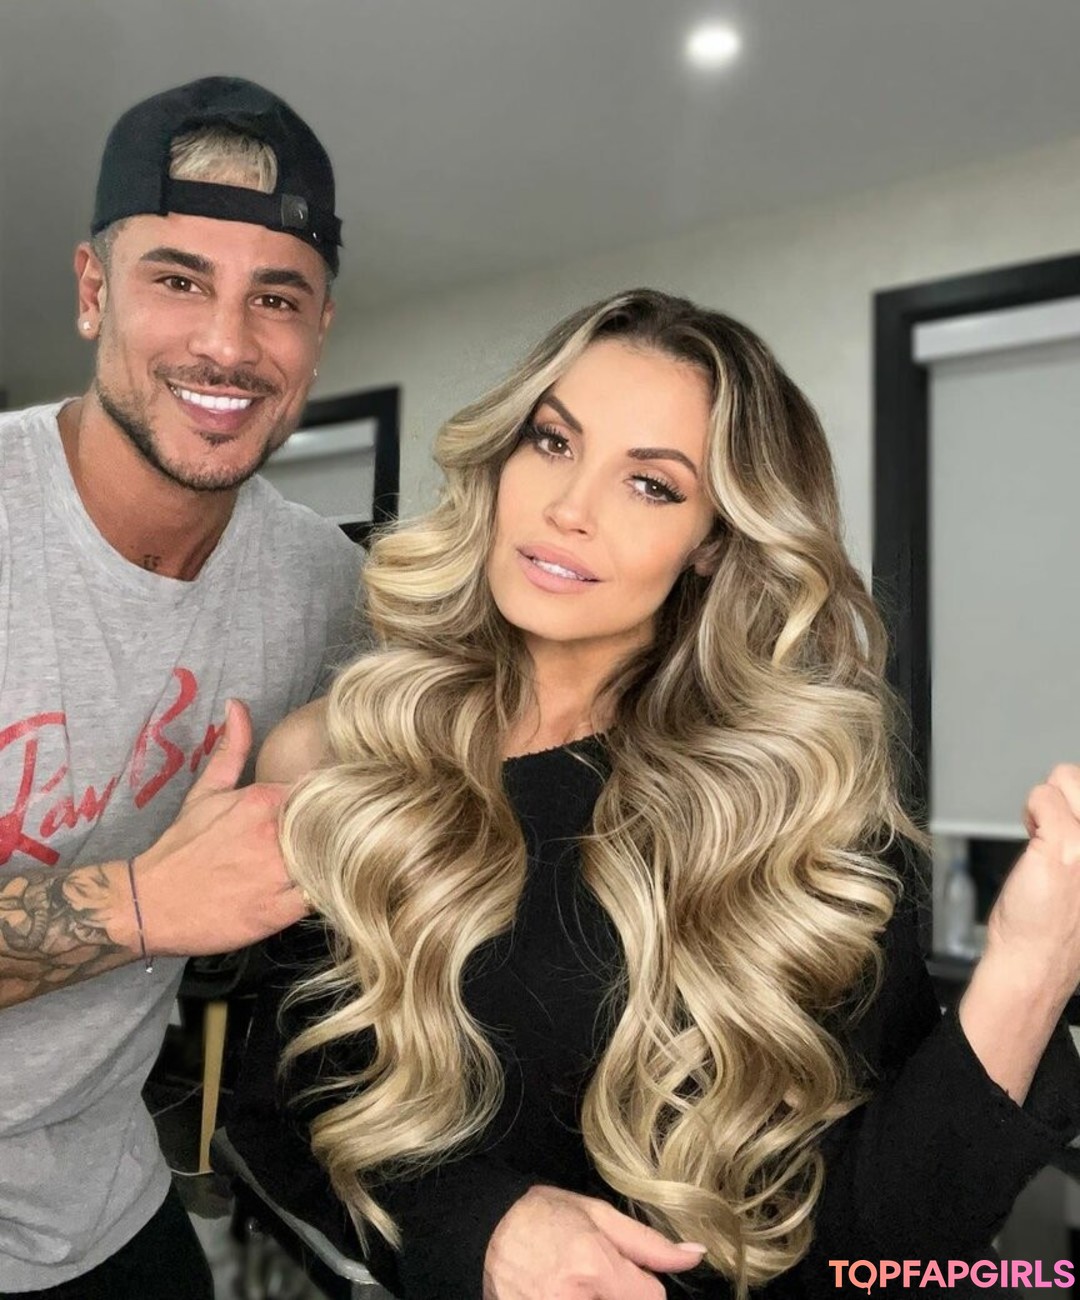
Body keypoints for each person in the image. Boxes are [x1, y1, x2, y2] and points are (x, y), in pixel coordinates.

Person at [236, 289, 1080, 1299]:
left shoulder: (797, 809)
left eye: (650, 484)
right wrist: (475, 1226)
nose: (570, 507)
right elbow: (283, 1097)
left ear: (713, 541)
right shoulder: (338, 755)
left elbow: (882, 1240)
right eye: (553, 442)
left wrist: (1033, 965)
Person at [0, 78, 362, 1298]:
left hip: (103, 1209)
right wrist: (147, 903)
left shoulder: (323, 587)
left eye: (277, 298)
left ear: (319, 331)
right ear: (92, 289)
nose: (228, 344)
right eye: (178, 279)